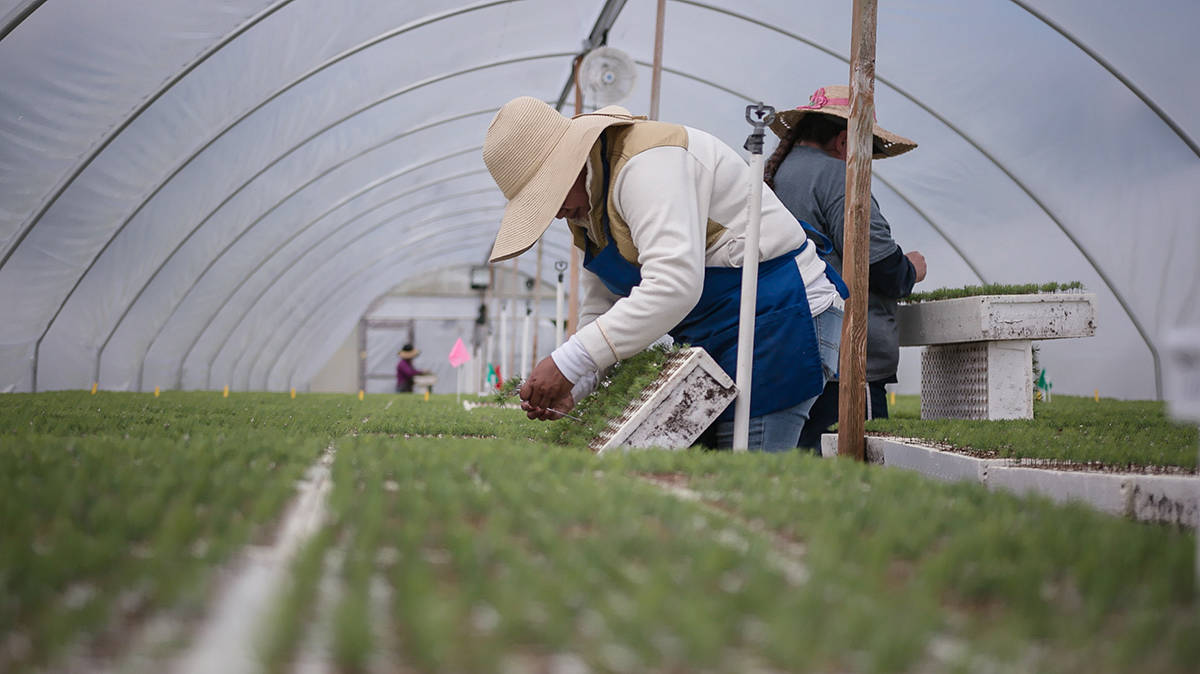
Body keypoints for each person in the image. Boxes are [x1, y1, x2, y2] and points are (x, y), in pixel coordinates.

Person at [481, 96, 848, 451]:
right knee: (706, 472)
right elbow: (602, 307)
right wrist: (578, 381)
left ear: (571, 163)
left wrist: (569, 361)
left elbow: (674, 285)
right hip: (717, 334)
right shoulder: (586, 206)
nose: (555, 213)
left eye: (547, 195)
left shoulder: (647, 165)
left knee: (750, 471)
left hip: (779, 318)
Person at [763, 85, 927, 448]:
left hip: (790, 353)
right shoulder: (839, 177)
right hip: (846, 366)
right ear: (842, 142)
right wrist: (912, 268)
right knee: (856, 477)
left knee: (803, 472)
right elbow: (881, 266)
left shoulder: (778, 174)